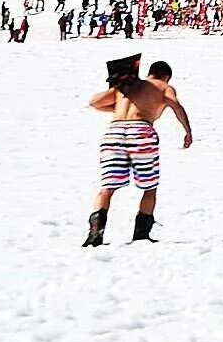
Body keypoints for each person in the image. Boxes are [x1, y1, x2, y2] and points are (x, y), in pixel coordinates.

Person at [81, 54, 194, 246]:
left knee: (107, 187)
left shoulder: (127, 86)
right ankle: (141, 235)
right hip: (141, 132)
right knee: (149, 187)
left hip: (114, 133)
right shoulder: (163, 87)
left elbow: (94, 102)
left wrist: (120, 108)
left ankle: (95, 235)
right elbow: (175, 105)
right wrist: (188, 131)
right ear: (165, 77)